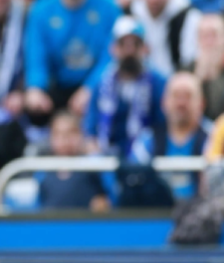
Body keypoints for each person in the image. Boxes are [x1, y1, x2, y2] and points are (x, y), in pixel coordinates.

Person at [24, 0, 121, 121]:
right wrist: (36, 87)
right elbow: (36, 56)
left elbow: (112, 56)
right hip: (58, 85)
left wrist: (90, 88)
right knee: (34, 108)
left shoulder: (109, 5)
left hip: (98, 85)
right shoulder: (41, 9)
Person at [84, 16, 167, 157]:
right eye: (123, 44)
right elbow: (91, 129)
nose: (130, 51)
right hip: (107, 154)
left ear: (145, 48)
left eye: (136, 44)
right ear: (113, 49)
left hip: (147, 155)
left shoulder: (158, 82)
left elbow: (164, 125)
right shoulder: (101, 83)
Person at [129, 73, 212, 201]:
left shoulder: (214, 137)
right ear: (164, 102)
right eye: (176, 96)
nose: (181, 103)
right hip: (156, 216)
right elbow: (132, 178)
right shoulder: (147, 140)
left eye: (188, 96)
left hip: (204, 215)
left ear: (202, 104)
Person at [127, 0, 201, 77]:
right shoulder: (131, 17)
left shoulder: (188, 17)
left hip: (177, 81)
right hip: (142, 82)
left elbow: (190, 61)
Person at [38, 111, 110, 211]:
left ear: (81, 135)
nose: (65, 139)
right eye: (58, 134)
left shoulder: (93, 169)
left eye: (71, 133)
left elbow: (109, 200)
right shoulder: (43, 172)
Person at [191, 14, 224, 121]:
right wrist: (198, 79)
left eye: (214, 35)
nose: (209, 42)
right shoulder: (186, 70)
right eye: (204, 36)